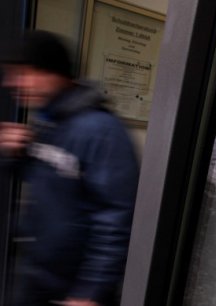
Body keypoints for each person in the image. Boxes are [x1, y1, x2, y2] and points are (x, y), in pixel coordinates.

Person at [0, 30, 139, 306]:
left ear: (52, 72)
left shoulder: (101, 131)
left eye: (22, 73)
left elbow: (116, 218)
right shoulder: (51, 121)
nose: (11, 83)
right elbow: (51, 184)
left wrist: (90, 293)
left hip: (72, 290)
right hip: (37, 279)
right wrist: (14, 156)